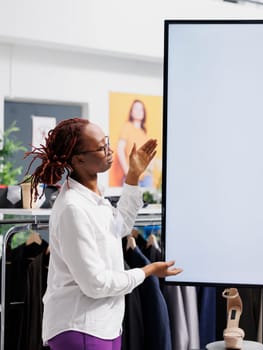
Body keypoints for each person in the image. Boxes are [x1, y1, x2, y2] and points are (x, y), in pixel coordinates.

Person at [24, 118, 182, 350]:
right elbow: (95, 284)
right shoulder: (72, 209)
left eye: (106, 142)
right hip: (82, 328)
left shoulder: (93, 198)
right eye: (100, 147)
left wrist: (133, 176)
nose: (108, 151)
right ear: (78, 159)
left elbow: (119, 228)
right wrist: (146, 271)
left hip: (103, 326)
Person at [116, 99, 153, 187]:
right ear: (131, 112)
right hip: (132, 177)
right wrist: (127, 172)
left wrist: (149, 171)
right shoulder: (127, 127)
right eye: (136, 109)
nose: (139, 111)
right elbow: (120, 149)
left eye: (141, 109)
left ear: (144, 113)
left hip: (146, 178)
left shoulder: (144, 132)